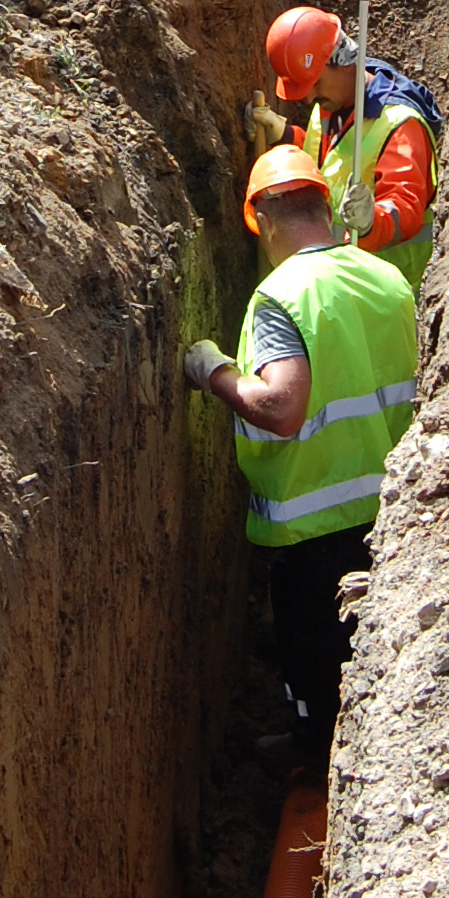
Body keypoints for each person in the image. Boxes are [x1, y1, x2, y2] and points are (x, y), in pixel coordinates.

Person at [184, 145, 417, 764]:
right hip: (394, 512)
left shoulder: (282, 295)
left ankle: (316, 768)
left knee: (320, 669)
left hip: (312, 528)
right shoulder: (388, 278)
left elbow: (282, 410)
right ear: (326, 206)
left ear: (263, 220)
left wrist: (216, 375)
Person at [255, 6, 443, 297]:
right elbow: (329, 158)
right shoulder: (333, 103)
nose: (308, 97)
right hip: (339, 284)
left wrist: (371, 221)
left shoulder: (399, 124)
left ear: (342, 61)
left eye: (315, 83)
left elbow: (406, 206)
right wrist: (286, 135)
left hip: (386, 294)